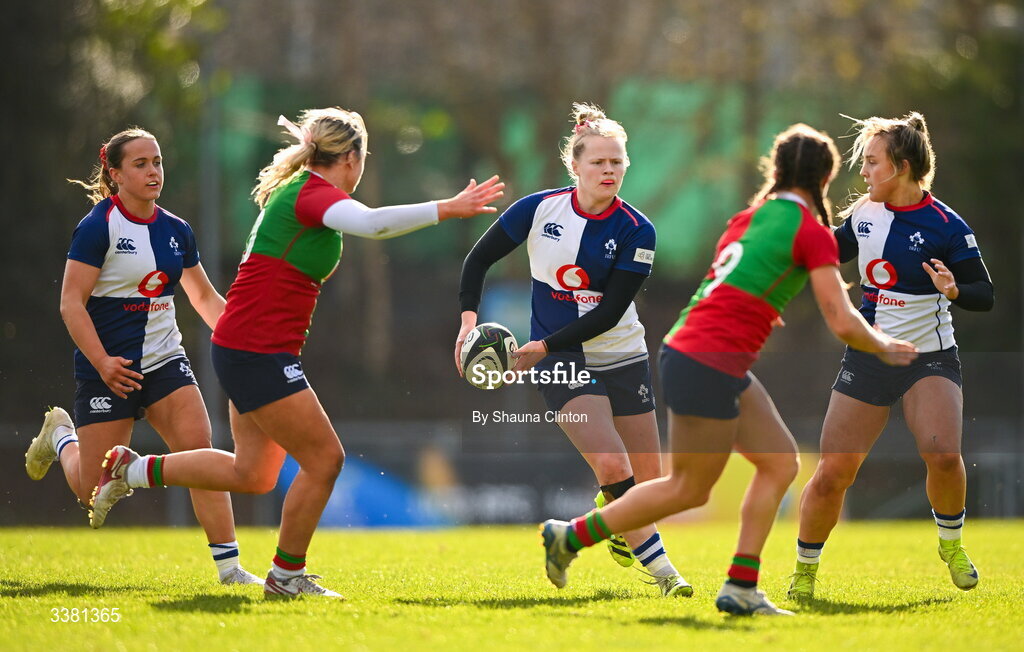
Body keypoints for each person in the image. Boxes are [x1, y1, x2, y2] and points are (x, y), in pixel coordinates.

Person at [87, 108, 504, 599]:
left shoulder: (305, 191)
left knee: (255, 474)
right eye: (363, 157)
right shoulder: (310, 192)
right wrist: (447, 208)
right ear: (351, 158)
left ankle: (132, 469)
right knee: (326, 459)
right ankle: (286, 577)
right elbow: (372, 225)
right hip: (256, 349)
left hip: (249, 346)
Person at [538, 124, 919, 616]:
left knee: (781, 461)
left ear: (777, 171)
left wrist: (764, 307)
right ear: (824, 178)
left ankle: (741, 586)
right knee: (688, 488)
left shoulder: (751, 216)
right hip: (708, 360)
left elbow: (732, 280)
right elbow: (842, 320)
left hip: (698, 353)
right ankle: (569, 536)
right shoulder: (811, 231)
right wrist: (885, 344)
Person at [457, 103, 690, 598]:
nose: (609, 171)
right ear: (575, 166)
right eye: (598, 162)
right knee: (612, 467)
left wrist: (540, 344)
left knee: (650, 485)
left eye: (617, 162)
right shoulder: (539, 210)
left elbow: (607, 314)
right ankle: (669, 576)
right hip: (564, 361)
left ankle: (579, 532)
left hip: (620, 352)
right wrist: (468, 323)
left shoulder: (637, 230)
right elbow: (477, 261)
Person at [24, 128, 261, 585]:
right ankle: (60, 438)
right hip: (108, 371)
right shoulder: (97, 227)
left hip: (165, 361)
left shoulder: (177, 231)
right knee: (90, 492)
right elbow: (71, 303)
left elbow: (205, 298)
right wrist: (102, 363)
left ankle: (230, 570)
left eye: (157, 161)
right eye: (140, 164)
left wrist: (251, 340)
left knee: (198, 451)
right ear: (114, 174)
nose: (154, 171)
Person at [788, 112, 993, 600]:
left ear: (901, 166)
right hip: (868, 357)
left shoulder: (947, 225)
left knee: (943, 454)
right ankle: (804, 571)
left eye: (871, 162)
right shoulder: (863, 215)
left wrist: (954, 288)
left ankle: (951, 544)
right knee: (834, 473)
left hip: (931, 359)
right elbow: (825, 253)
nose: (863, 171)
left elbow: (985, 294)